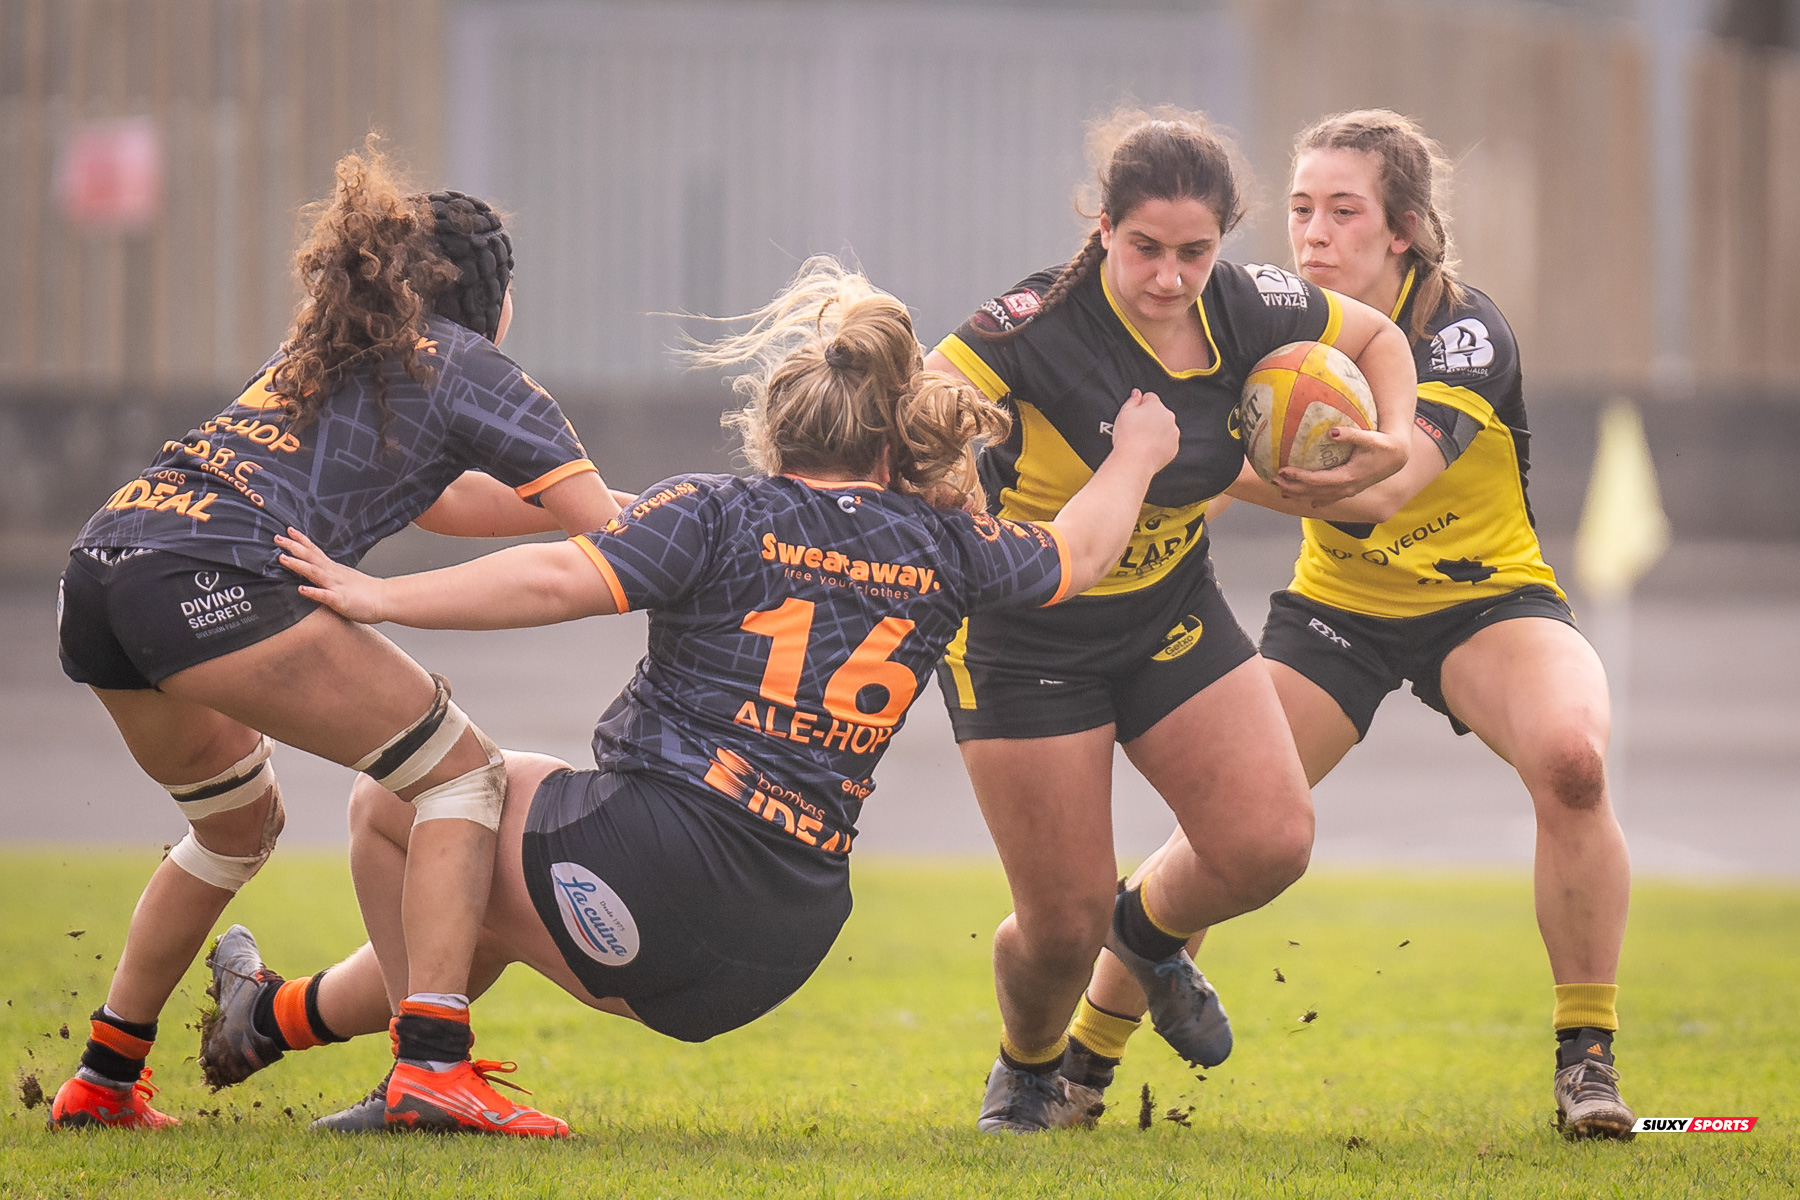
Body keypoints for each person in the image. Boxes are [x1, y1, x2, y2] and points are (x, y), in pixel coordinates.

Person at [194, 256, 1182, 1132]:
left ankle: (425, 1076)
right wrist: (1136, 454)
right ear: (892, 443)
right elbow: (1080, 551)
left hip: (657, 874)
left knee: (411, 797)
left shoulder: (715, 511)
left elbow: (553, 579)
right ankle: (272, 1021)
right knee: (463, 907)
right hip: (782, 938)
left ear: (773, 433)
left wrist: (382, 594)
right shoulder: (947, 544)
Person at [1075, 109, 1637, 1141]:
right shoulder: (1257, 326)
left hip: (1485, 599)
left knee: (1573, 761)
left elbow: (1382, 489)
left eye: (1344, 211)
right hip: (1338, 612)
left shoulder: (1463, 330)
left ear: (1405, 231)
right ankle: (1079, 1072)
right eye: (1300, 210)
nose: (1314, 235)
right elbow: (1185, 486)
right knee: (1231, 832)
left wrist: (1204, 458)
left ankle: (1587, 1060)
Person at [47, 144, 621, 1136]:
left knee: (235, 825)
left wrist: (571, 508)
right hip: (209, 577)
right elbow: (605, 529)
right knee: (458, 777)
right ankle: (435, 1065)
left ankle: (103, 1078)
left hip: (105, 565)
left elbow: (439, 504)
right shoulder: (475, 366)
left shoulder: (335, 345)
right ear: (492, 292)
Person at [918, 107, 1420, 1132]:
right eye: (1145, 248)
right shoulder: (1032, 327)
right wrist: (939, 489)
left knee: (1269, 842)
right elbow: (918, 412)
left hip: (1164, 612)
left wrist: (1397, 433)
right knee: (1057, 931)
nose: (1169, 277)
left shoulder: (1244, 304)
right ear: (1101, 226)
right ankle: (1026, 1067)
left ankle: (1143, 939)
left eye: (1195, 252)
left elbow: (1373, 333)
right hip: (1024, 634)